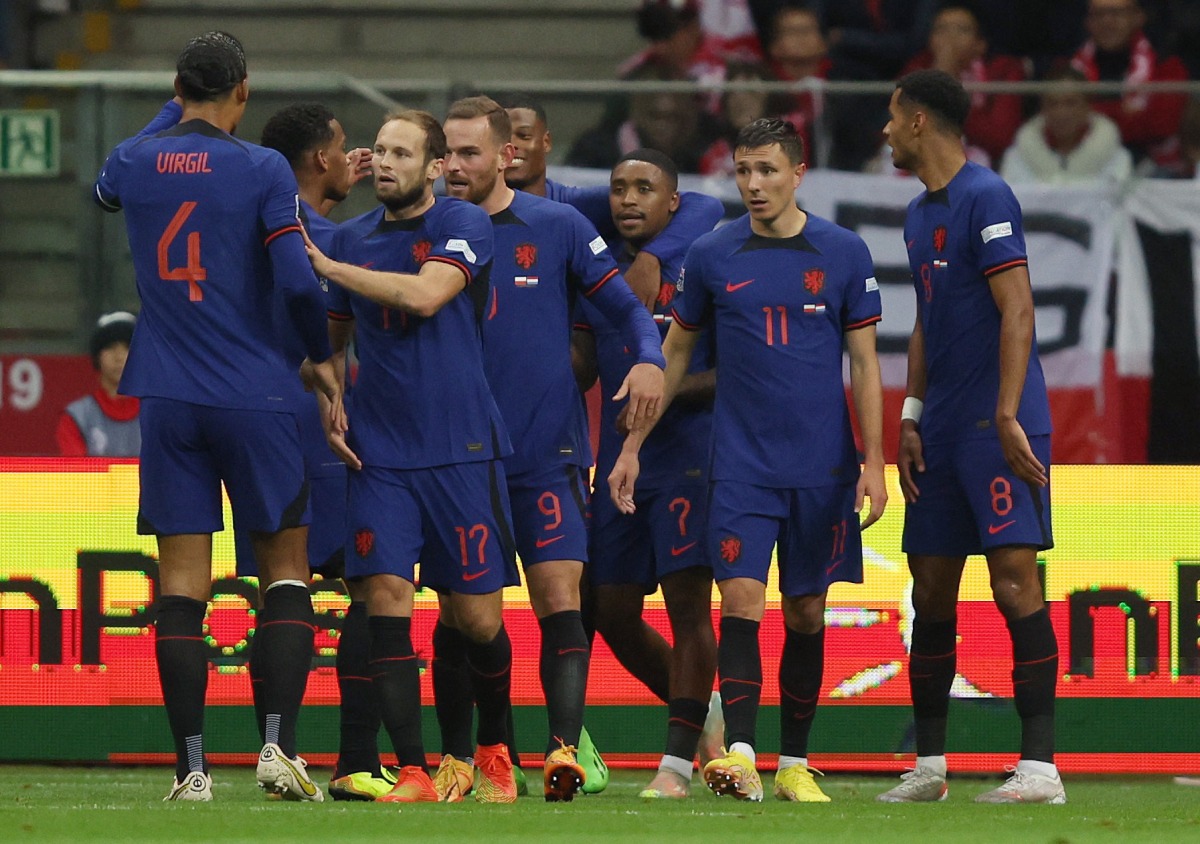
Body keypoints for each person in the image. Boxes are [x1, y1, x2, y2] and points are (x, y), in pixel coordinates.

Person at [92, 31, 344, 802]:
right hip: (258, 391)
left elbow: (105, 183)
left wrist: (172, 108)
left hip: (168, 396)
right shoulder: (264, 167)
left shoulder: (137, 161)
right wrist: (319, 357)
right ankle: (274, 750)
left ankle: (191, 771)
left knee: (181, 587)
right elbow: (300, 285)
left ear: (178, 86)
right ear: (244, 90)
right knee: (284, 576)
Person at [609, 117, 888, 803]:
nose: (754, 184)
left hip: (822, 468)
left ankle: (794, 761)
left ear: (797, 173)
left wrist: (874, 462)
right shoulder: (711, 255)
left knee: (806, 614)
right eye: (743, 171)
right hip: (738, 465)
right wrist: (633, 445)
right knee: (739, 599)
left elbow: (865, 364)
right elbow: (674, 354)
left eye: (767, 170)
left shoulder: (845, 252)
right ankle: (739, 753)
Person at [434, 96, 665, 803]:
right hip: (455, 454)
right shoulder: (421, 230)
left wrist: (650, 357)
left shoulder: (559, 226)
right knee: (461, 613)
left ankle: (563, 749)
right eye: (448, 152)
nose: (455, 167)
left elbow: (624, 306)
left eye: (470, 153)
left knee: (559, 593)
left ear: (508, 155)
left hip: (546, 448)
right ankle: (473, 755)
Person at [302, 109, 519, 805]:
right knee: (386, 600)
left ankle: (491, 749)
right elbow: (330, 339)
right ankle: (416, 772)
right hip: (381, 456)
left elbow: (427, 295)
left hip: (462, 449)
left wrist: (333, 266)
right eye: (382, 151)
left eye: (405, 152)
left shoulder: (464, 225)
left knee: (479, 620)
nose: (389, 162)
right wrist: (327, 396)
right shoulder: (354, 237)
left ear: (432, 168)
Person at [878, 69, 1065, 804]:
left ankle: (1040, 769)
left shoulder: (988, 196)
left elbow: (1017, 310)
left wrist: (1011, 413)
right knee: (931, 592)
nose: (885, 131)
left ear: (920, 122)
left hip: (997, 425)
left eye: (893, 118)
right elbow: (926, 319)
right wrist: (912, 416)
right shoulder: (919, 214)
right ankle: (929, 767)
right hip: (944, 427)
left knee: (1015, 580)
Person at [251, 103, 390, 801]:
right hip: (328, 429)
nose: (353, 158)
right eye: (341, 150)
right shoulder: (338, 243)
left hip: (257, 423)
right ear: (318, 161)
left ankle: (279, 750)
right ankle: (357, 759)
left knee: (280, 590)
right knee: (367, 587)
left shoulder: (246, 229)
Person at [573, 148, 722, 799]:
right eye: (619, 187)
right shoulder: (593, 259)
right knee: (610, 607)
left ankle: (678, 763)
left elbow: (732, 370)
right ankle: (705, 720)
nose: (629, 199)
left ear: (674, 204)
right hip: (618, 461)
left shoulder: (707, 259)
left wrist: (666, 389)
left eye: (645, 188)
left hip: (689, 454)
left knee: (690, 607)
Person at [502, 92, 725, 313]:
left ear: (546, 142)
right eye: (503, 138)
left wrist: (651, 257)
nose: (511, 146)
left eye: (523, 135)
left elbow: (704, 206)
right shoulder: (472, 211)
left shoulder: (573, 206)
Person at [900, 2, 1026, 166]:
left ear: (981, 44)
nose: (950, 38)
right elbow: (900, 126)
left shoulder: (1004, 70)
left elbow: (1000, 138)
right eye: (941, 29)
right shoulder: (917, 68)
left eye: (962, 30)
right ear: (930, 40)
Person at [1070, 0, 1189, 165]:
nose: (1107, 22)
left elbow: (1161, 126)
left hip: (1152, 167)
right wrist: (1126, 114)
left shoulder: (1167, 65)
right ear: (1087, 22)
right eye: (1099, 14)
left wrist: (1093, 115)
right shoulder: (1069, 67)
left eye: (1116, 13)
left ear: (1138, 17)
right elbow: (1063, 125)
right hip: (1083, 165)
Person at [1001, 66, 1133, 184]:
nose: (1061, 113)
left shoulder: (1116, 158)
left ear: (1088, 107)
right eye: (1053, 103)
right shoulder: (1018, 157)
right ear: (1042, 108)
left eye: (1071, 103)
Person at [56, 311, 140, 457]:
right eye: (110, 347)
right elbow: (74, 476)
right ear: (97, 357)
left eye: (127, 347)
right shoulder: (76, 417)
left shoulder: (159, 414)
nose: (119, 356)